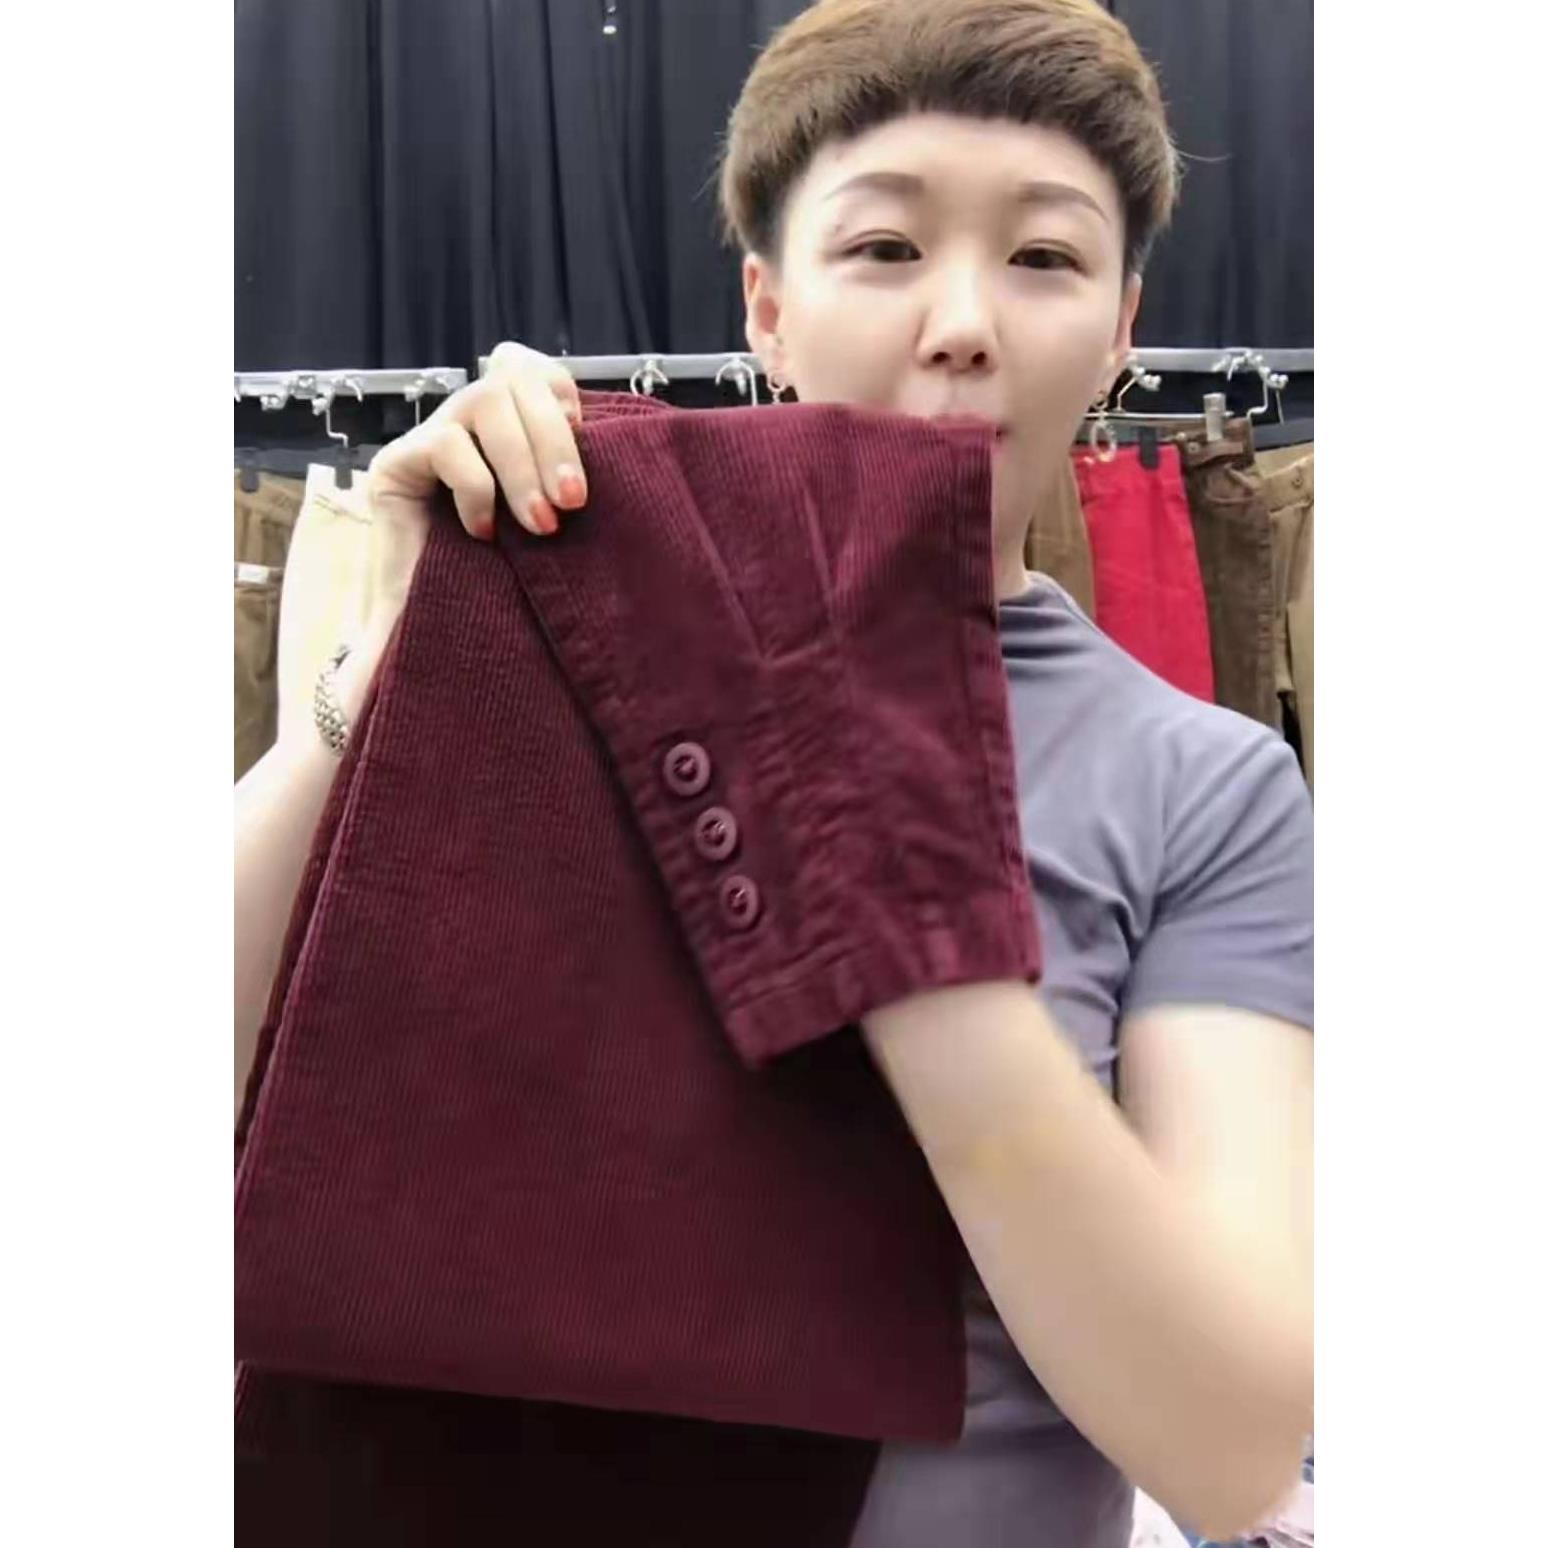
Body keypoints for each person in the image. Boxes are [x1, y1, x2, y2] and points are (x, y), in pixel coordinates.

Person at [234, 2, 1312, 1544]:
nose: (963, 321)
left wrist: (880, 875)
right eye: (884, 248)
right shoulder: (563, 636)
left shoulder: (1204, 790)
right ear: (767, 307)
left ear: (1123, 327)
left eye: (1043, 257)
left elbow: (1233, 1450)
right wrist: (406, 653)